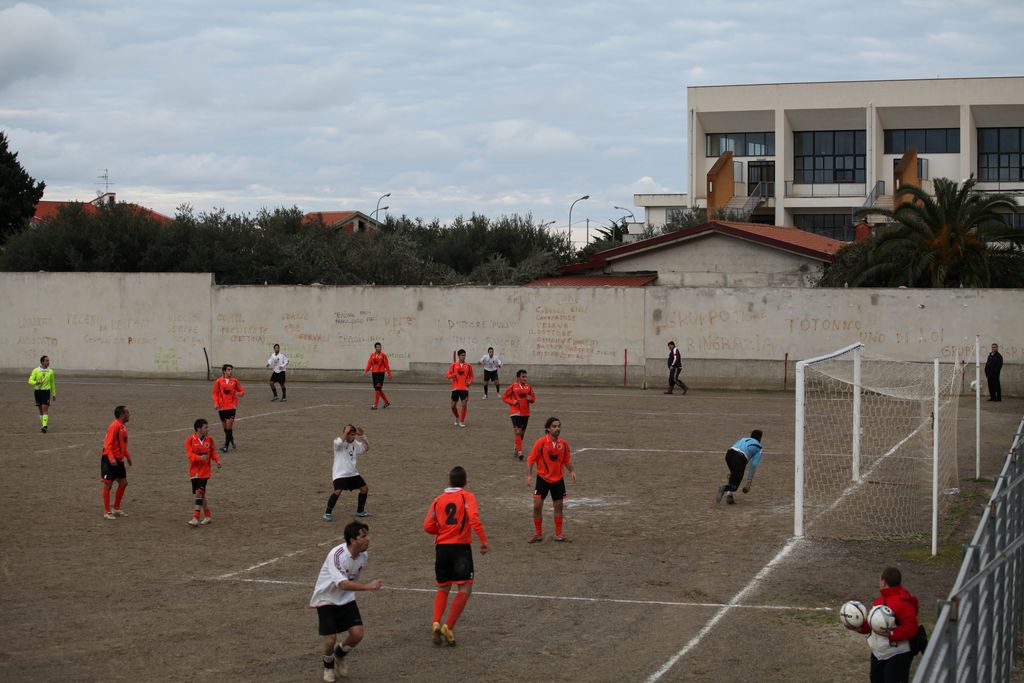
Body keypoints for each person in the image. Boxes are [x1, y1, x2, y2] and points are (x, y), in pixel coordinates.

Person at [309, 521, 384, 682]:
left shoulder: (363, 555)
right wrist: (367, 586)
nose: (368, 539)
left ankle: (339, 655)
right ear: (352, 540)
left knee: (357, 634)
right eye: (363, 536)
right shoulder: (337, 555)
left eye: (367, 535)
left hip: (346, 598)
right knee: (330, 639)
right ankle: (328, 666)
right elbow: (342, 583)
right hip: (326, 599)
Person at [423, 466, 489, 647]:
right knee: (465, 589)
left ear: (449, 482)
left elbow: (427, 525)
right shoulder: (467, 497)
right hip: (460, 549)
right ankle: (448, 626)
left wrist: (441, 532)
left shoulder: (438, 500)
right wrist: (483, 541)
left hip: (441, 548)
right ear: (465, 482)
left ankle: (436, 622)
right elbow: (474, 519)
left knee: (443, 587)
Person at [853, 566, 920, 683]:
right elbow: (872, 625)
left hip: (897, 654)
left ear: (883, 582)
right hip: (879, 653)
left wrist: (891, 634)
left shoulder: (902, 603)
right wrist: (860, 627)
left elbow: (912, 627)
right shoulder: (883, 601)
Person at [526, 417, 575, 543]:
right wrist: (529, 475)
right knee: (537, 506)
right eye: (554, 426)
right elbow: (531, 459)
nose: (557, 428)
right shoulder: (541, 442)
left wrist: (572, 471)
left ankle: (558, 534)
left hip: (558, 480)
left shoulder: (563, 444)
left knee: (559, 507)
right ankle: (538, 534)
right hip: (543, 479)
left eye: (559, 426)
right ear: (548, 428)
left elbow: (566, 460)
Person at [323, 424, 371, 521]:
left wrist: (362, 436)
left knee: (364, 489)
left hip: (353, 473)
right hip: (340, 474)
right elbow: (338, 443)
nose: (353, 437)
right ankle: (327, 513)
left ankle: (360, 511)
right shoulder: (338, 443)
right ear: (346, 434)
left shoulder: (355, 443)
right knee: (338, 491)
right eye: (351, 435)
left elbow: (366, 448)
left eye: (354, 435)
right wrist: (345, 432)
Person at [184, 418, 221, 527]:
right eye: (206, 427)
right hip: (194, 472)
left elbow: (213, 452)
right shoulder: (189, 440)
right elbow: (190, 455)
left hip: (205, 472)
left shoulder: (210, 440)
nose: (207, 429)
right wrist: (200, 458)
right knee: (201, 495)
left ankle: (195, 518)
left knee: (199, 492)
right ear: (199, 429)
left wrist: (217, 460)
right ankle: (208, 516)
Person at [716, 430, 763, 505]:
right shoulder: (759, 447)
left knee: (733, 475)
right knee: (734, 486)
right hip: (740, 458)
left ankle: (729, 496)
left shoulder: (743, 439)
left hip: (729, 454)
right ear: (760, 438)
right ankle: (724, 488)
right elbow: (753, 465)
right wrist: (749, 481)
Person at [101, 405, 132, 520]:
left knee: (123, 482)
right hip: (109, 459)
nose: (129, 415)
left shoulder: (123, 427)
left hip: (118, 459)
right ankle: (107, 511)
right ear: (122, 415)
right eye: (127, 413)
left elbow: (122, 445)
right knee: (108, 484)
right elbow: (107, 444)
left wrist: (127, 457)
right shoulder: (114, 426)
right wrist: (111, 458)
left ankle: (116, 508)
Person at [502, 369, 536, 460]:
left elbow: (533, 399)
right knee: (518, 431)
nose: (525, 378)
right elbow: (504, 397)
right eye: (523, 377)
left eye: (526, 377)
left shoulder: (528, 387)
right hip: (515, 412)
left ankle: (516, 446)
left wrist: (531, 399)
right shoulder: (513, 387)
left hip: (526, 413)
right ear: (518, 378)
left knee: (522, 433)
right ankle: (520, 453)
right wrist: (512, 401)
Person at [212, 363, 245, 452]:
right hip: (222, 407)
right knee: (226, 429)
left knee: (229, 425)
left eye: (231, 370)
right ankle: (231, 439)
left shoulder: (235, 381)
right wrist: (216, 403)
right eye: (228, 370)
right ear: (224, 371)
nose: (230, 371)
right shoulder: (218, 381)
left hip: (231, 407)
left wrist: (239, 393)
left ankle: (225, 446)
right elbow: (215, 393)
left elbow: (242, 391)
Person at [446, 349, 474, 427]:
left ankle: (462, 421)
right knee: (453, 406)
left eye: (464, 355)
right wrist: (451, 375)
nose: (464, 357)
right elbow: (447, 375)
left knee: (464, 404)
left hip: (464, 388)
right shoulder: (453, 365)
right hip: (455, 388)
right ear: (459, 356)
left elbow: (471, 376)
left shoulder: (468, 365)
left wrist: (469, 382)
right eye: (462, 355)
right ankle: (457, 417)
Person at [28, 355, 56, 433]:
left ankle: (45, 427)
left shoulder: (51, 371)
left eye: (48, 360)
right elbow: (30, 380)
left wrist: (54, 393)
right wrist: (36, 382)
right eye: (47, 361)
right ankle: (43, 425)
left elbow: (52, 383)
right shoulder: (36, 370)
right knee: (40, 411)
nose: (48, 362)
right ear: (42, 362)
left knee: (45, 410)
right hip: (37, 392)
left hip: (46, 392)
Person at [364, 342, 392, 410]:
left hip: (381, 373)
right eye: (377, 347)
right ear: (375, 348)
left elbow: (387, 365)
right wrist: (366, 370)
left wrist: (389, 374)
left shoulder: (383, 355)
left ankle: (375, 405)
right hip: (374, 373)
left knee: (377, 388)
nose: (378, 348)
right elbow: (369, 363)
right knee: (378, 389)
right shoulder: (372, 355)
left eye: (379, 347)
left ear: (381, 347)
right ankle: (386, 402)